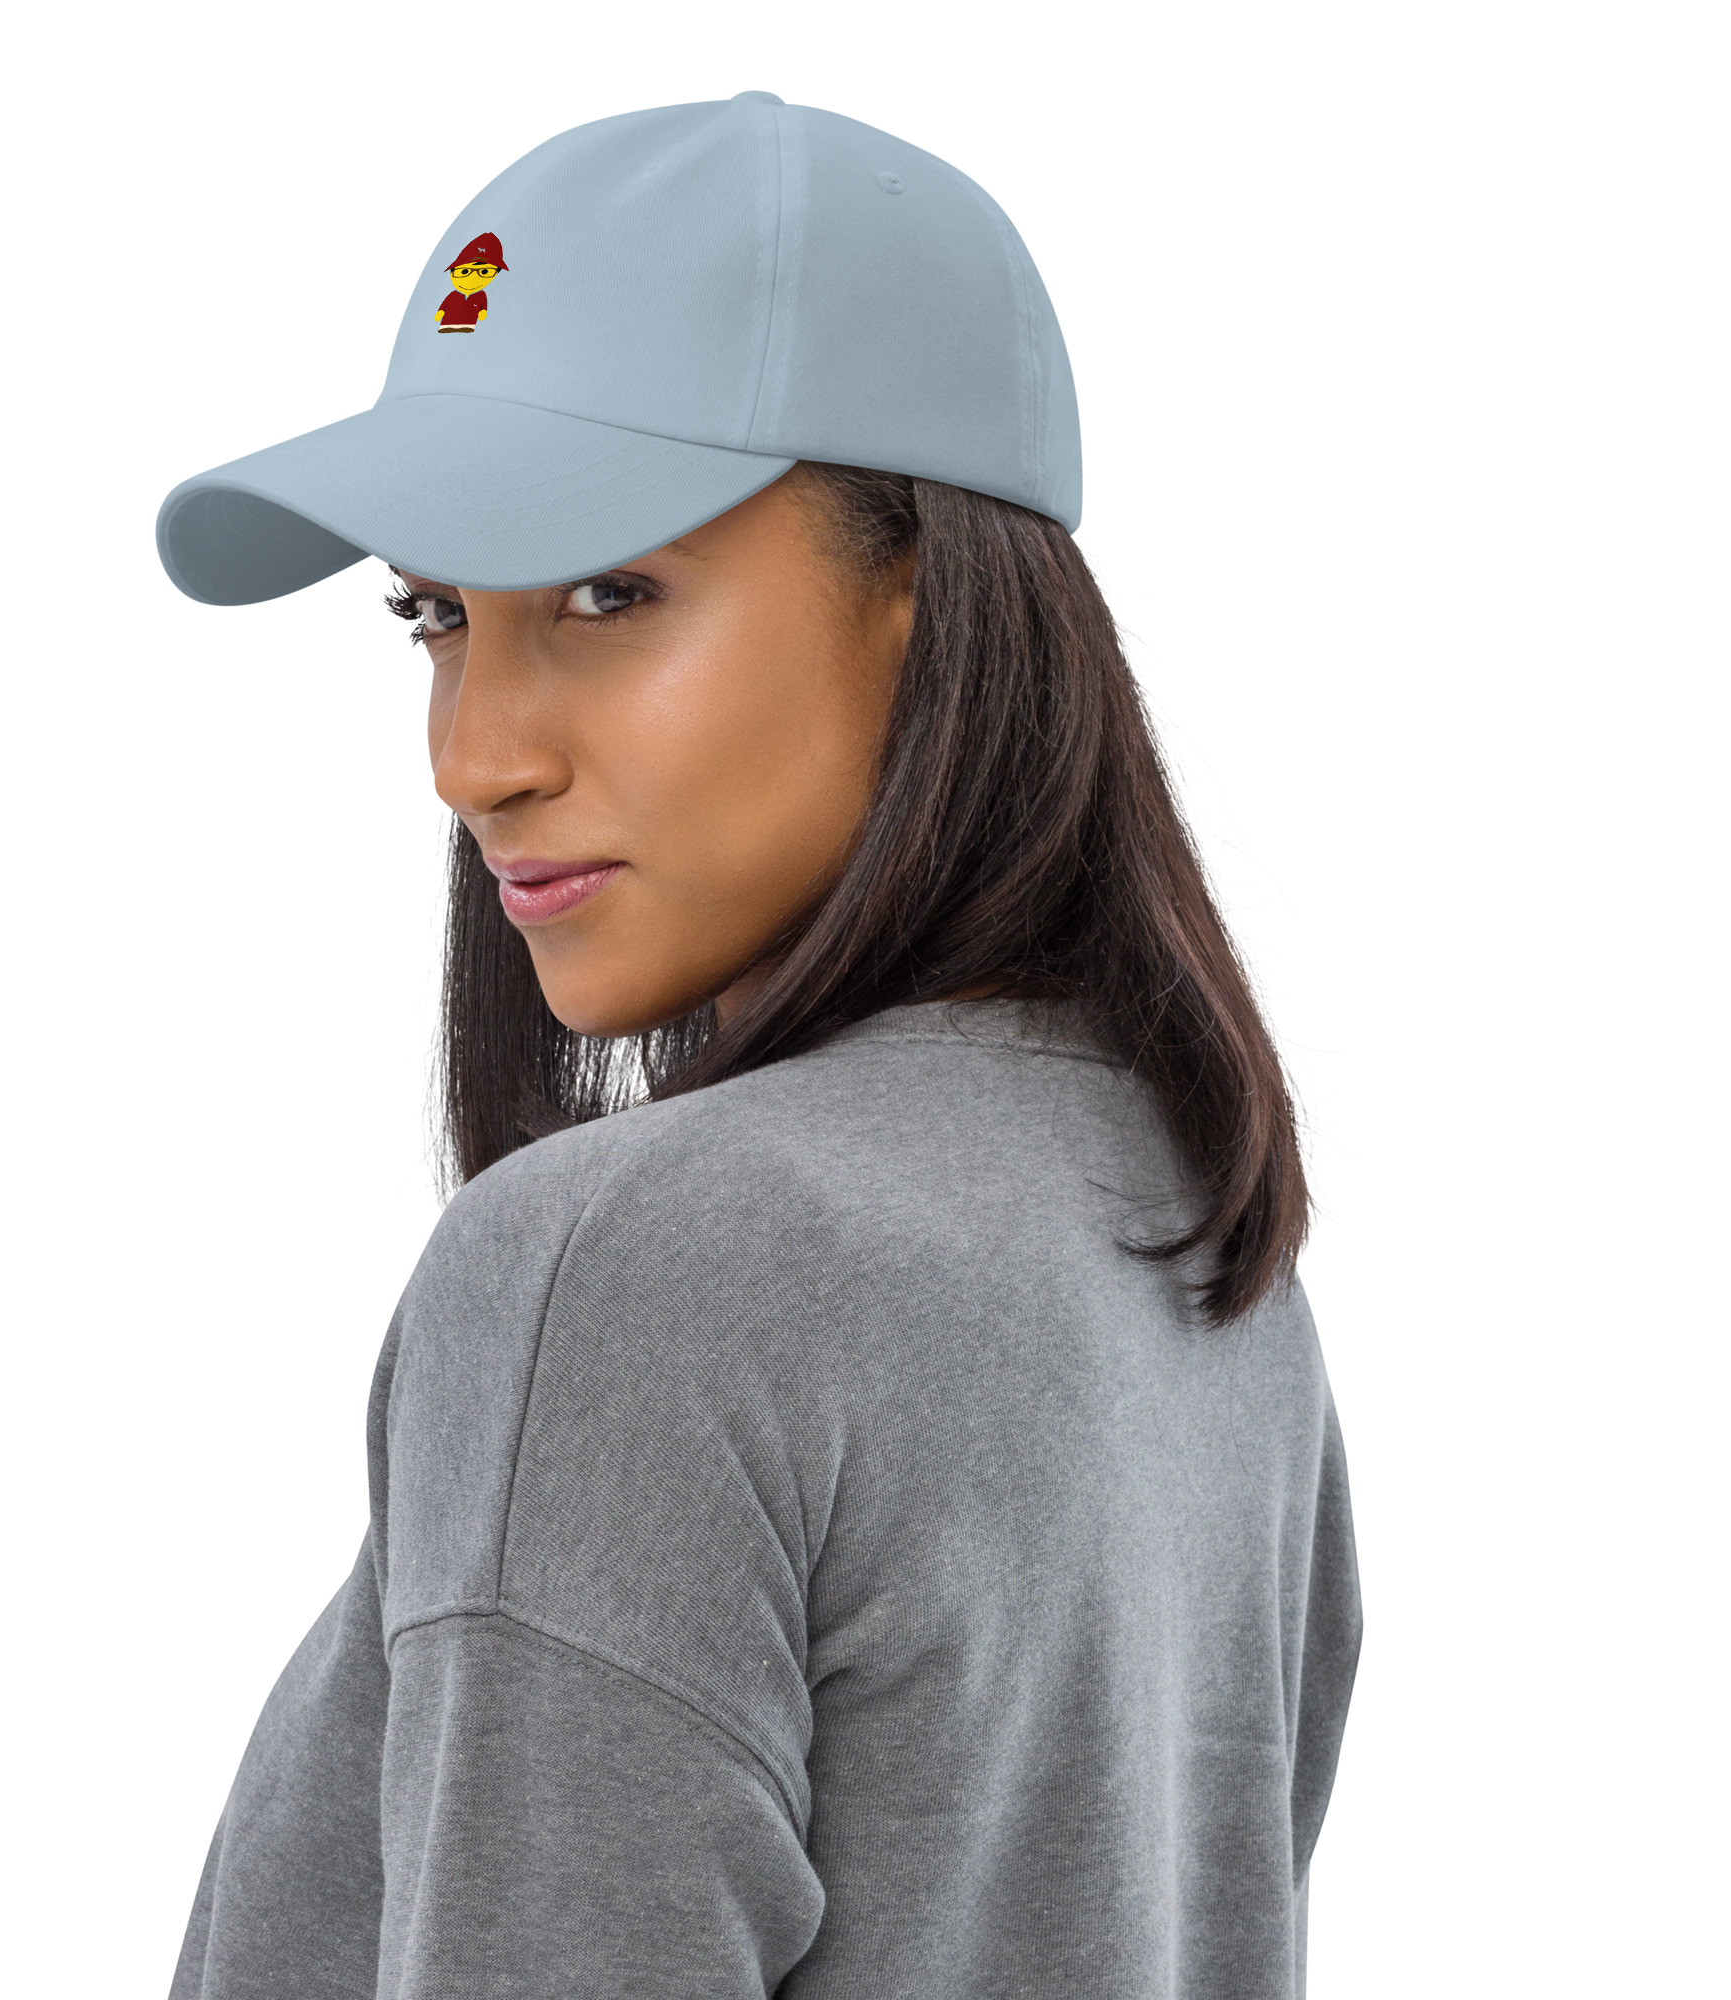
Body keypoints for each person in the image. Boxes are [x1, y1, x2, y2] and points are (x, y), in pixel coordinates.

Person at [153, 91, 1362, 2000]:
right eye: (437, 616)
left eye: (610, 592)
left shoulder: (633, 1268)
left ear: (927, 607)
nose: (474, 756)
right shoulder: (1201, 1255)